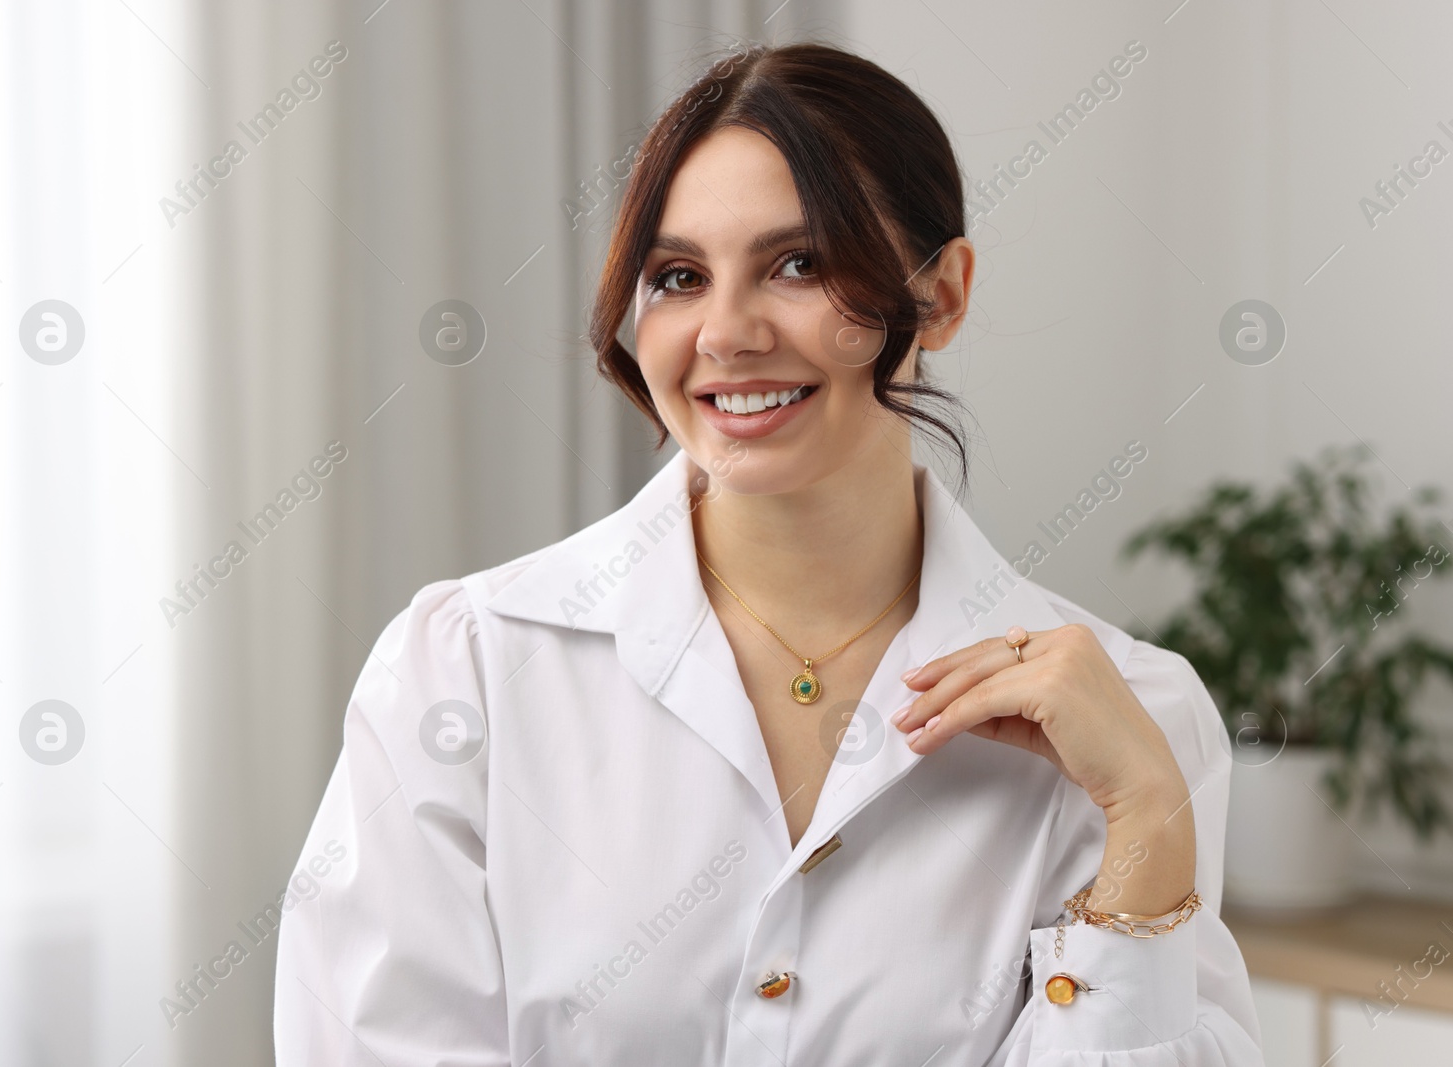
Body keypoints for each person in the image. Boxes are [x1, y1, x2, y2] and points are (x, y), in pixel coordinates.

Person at [273, 40, 1263, 1065]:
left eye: (798, 263)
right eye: (678, 276)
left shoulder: (1135, 721)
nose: (727, 332)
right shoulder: (465, 669)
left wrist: (1148, 821)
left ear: (942, 295)